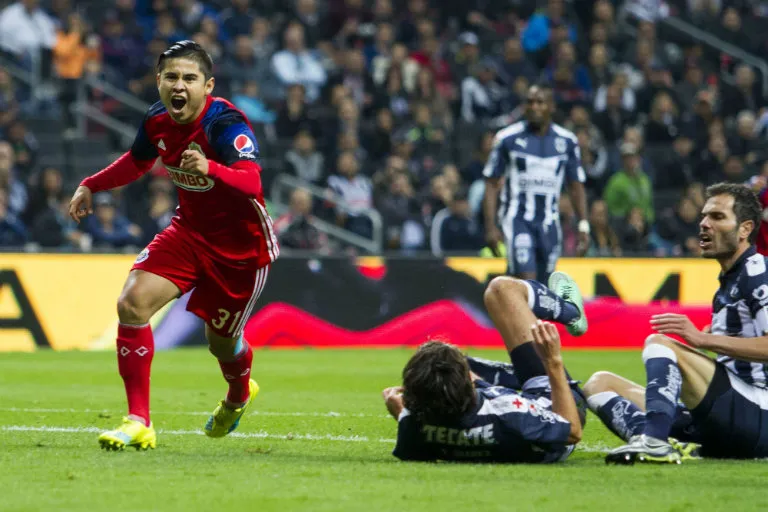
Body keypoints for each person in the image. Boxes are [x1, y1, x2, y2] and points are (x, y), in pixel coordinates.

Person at [68, 41, 280, 451]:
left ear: (207, 86)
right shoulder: (157, 119)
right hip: (188, 234)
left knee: (220, 343)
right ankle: (138, 421)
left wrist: (211, 167)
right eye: (171, 77)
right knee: (131, 304)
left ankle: (238, 394)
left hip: (241, 251)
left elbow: (253, 181)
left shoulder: (225, 123)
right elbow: (137, 161)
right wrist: (92, 184)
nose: (179, 86)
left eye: (189, 78)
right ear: (159, 81)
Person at [594, 183, 768, 464]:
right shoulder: (729, 281)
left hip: (758, 413)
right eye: (704, 216)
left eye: (717, 217)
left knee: (660, 343)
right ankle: (659, 438)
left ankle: (654, 442)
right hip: (729, 414)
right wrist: (713, 338)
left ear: (745, 229)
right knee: (599, 384)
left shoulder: (758, 271)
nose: (704, 224)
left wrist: (702, 339)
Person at [382, 271, 588, 463]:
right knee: (501, 290)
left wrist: (402, 415)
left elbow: (415, 446)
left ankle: (510, 374)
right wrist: (552, 361)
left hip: (490, 422)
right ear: (469, 385)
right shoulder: (508, 411)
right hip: (556, 406)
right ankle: (572, 312)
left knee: (443, 369)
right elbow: (571, 430)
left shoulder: (420, 428)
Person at [482, 83, 590, 284]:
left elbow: (576, 186)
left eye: (540, 102)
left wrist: (583, 225)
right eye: (530, 102)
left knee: (543, 285)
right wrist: (490, 226)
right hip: (517, 219)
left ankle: (506, 299)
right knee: (527, 279)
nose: (534, 107)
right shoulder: (507, 139)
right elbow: (491, 183)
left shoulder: (567, 141)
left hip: (550, 223)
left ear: (552, 106)